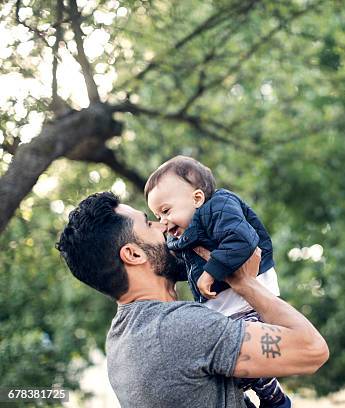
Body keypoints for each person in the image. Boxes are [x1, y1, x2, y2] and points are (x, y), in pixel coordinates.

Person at [56, 192, 329, 408]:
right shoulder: (179, 328)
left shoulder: (121, 341)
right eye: (149, 223)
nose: (163, 225)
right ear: (134, 254)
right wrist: (244, 282)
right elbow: (312, 350)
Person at [145, 155, 288, 406]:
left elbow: (242, 239)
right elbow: (185, 267)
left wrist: (211, 272)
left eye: (166, 211)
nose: (163, 222)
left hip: (249, 303)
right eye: (157, 216)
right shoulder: (186, 233)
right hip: (226, 308)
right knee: (224, 369)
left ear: (197, 198)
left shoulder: (220, 206)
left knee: (247, 361)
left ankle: (275, 399)